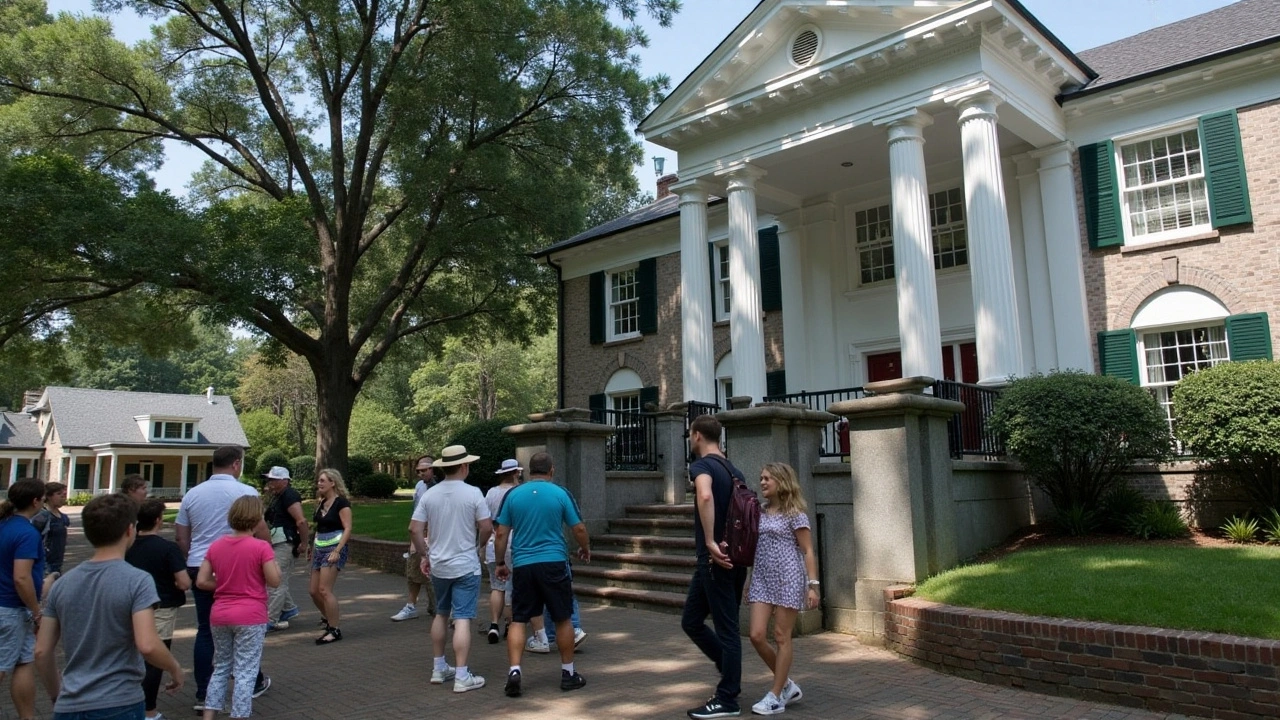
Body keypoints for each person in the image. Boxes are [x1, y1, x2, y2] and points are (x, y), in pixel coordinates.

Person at [35, 493, 185, 720]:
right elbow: (147, 644)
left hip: (70, 703)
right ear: (129, 530)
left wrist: (57, 694)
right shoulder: (138, 581)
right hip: (119, 700)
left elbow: (42, 651)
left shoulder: (62, 583)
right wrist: (174, 668)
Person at [174, 446, 271, 711]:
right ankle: (251, 683)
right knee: (246, 625)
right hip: (241, 566)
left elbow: (182, 536)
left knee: (206, 630)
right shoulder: (246, 492)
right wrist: (265, 557)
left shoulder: (192, 494)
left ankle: (204, 693)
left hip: (200, 564)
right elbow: (261, 530)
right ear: (236, 464)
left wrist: (193, 558)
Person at [494, 452, 591, 698]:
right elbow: (578, 527)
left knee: (518, 619)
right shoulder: (561, 494)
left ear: (528, 471)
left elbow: (502, 533)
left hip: (524, 564)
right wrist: (585, 548)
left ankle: (514, 671)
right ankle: (568, 673)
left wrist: (499, 563)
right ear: (551, 470)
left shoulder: (513, 495)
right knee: (562, 618)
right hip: (554, 563)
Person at [682, 414, 750, 720]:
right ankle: (728, 666)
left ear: (697, 435)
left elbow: (705, 494)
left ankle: (727, 698)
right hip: (734, 557)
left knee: (727, 629)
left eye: (689, 435)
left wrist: (709, 540)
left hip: (714, 559)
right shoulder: (734, 469)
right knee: (692, 620)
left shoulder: (702, 467)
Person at [409, 444, 491, 693]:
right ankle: (462, 674)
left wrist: (425, 554)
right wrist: (480, 545)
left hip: (439, 565)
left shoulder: (429, 495)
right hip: (465, 564)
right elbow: (486, 526)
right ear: (464, 466)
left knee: (441, 614)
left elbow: (414, 529)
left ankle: (438, 667)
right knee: (463, 617)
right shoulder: (473, 493)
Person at [196, 496, 281, 720]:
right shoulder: (261, 547)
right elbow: (274, 581)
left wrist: (225, 584)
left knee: (221, 665)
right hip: (251, 615)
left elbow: (202, 581)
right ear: (256, 519)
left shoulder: (216, 546)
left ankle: (209, 715)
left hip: (221, 613)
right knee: (245, 670)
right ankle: (240, 714)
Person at [745, 463, 819, 716]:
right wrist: (749, 580)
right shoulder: (761, 512)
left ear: (781, 481)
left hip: (789, 577)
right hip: (763, 579)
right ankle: (786, 684)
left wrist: (813, 586)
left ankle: (776, 696)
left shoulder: (795, 513)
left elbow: (808, 550)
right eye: (761, 478)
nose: (762, 482)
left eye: (768, 478)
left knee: (780, 636)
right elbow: (758, 549)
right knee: (755, 634)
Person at [126, 498, 192, 720]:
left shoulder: (128, 547)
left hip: (131, 607)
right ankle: (149, 710)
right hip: (161, 606)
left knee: (131, 655)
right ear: (157, 520)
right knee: (155, 659)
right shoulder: (167, 548)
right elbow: (183, 582)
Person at [0, 478, 46, 720]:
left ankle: (28, 717)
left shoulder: (4, 525)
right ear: (35, 501)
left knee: (23, 662)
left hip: (11, 608)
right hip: (11, 608)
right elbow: (22, 577)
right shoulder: (26, 532)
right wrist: (36, 610)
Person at [262, 466, 309, 631]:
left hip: (284, 543)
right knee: (273, 578)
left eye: (274, 479)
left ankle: (270, 619)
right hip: (276, 542)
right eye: (269, 479)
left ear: (284, 481)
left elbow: (301, 521)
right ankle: (289, 609)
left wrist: (304, 543)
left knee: (276, 582)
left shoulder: (289, 495)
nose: (270, 482)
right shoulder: (277, 496)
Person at [308, 468, 352, 645]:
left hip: (334, 548)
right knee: (313, 591)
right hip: (319, 548)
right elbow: (318, 528)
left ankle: (334, 629)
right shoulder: (321, 502)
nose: (319, 483)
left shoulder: (341, 503)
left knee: (325, 590)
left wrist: (337, 550)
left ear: (333, 483)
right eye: (319, 480)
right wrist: (311, 548)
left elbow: (348, 528)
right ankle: (329, 618)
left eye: (322, 481)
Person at [391, 454, 437, 622]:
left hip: (435, 534)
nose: (420, 474)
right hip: (419, 533)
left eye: (424, 470)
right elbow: (415, 512)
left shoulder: (439, 487)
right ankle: (411, 606)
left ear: (433, 469)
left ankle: (437, 608)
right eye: (418, 471)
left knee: (433, 573)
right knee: (413, 570)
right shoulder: (419, 486)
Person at [483, 459, 521, 643]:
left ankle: (493, 624)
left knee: (497, 587)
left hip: (493, 541)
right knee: (512, 586)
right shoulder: (519, 492)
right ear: (516, 473)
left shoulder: (491, 493)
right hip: (514, 541)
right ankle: (510, 623)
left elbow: (484, 520)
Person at [31, 482, 71, 596]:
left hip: (58, 561)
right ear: (48, 496)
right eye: (59, 494)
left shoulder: (63, 517)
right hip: (45, 562)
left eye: (64, 494)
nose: (63, 496)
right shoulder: (42, 517)